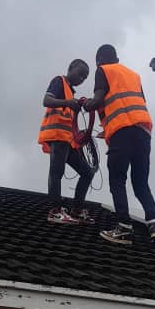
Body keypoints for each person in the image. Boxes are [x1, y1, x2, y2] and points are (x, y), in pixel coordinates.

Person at [84, 44, 155, 244]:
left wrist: (85, 104)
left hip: (122, 133)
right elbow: (131, 104)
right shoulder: (134, 75)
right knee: (140, 183)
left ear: (99, 61)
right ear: (117, 59)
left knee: (117, 179)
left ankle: (124, 227)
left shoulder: (103, 70)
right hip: (143, 131)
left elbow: (98, 100)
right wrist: (109, 129)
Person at [38, 59, 95, 224]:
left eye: (84, 77)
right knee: (57, 172)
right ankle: (55, 211)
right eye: (80, 74)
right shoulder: (59, 81)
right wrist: (67, 103)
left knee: (87, 172)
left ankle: (77, 209)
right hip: (57, 135)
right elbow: (46, 101)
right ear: (70, 68)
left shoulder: (70, 92)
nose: (82, 79)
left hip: (67, 140)